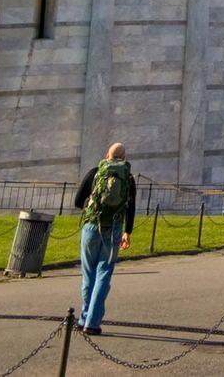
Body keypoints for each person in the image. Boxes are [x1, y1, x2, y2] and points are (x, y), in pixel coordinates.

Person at [74, 142, 136, 336]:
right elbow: (131, 207)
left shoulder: (95, 173)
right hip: (114, 229)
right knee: (104, 274)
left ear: (106, 155)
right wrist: (128, 232)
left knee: (88, 274)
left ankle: (84, 317)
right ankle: (92, 323)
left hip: (92, 227)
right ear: (124, 158)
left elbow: (77, 201)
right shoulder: (128, 177)